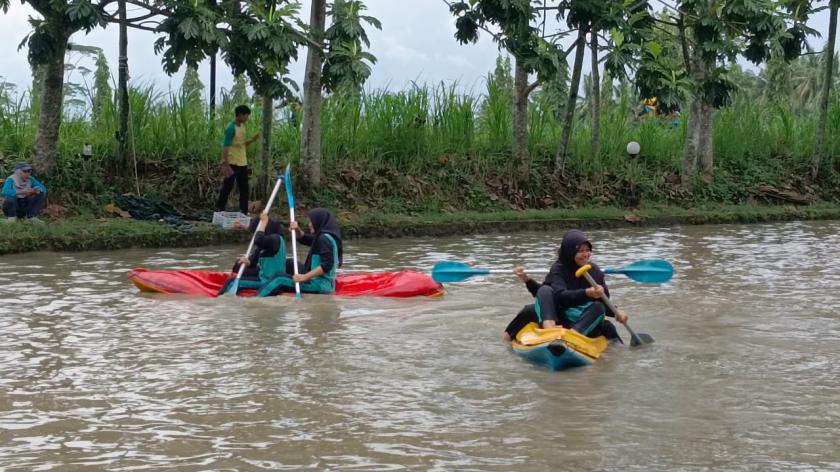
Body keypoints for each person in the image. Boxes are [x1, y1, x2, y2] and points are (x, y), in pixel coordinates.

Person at [502, 229, 626, 343]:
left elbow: (604, 301)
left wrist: (617, 312)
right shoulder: (558, 269)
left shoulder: (594, 271)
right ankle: (543, 332)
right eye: (581, 251)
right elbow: (557, 297)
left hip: (580, 320)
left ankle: (572, 337)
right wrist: (526, 280)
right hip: (559, 316)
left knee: (601, 312)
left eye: (588, 250)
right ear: (570, 252)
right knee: (531, 307)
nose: (586, 254)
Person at [257, 208, 343, 296]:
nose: (309, 225)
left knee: (278, 279)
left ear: (319, 221)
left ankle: (257, 299)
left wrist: (304, 277)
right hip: (323, 284)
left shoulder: (323, 239)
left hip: (319, 285)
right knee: (289, 264)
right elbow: (305, 239)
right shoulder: (325, 237)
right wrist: (297, 229)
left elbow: (327, 265)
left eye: (311, 222)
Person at [222, 213, 287, 294]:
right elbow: (253, 261)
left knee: (231, 282)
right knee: (238, 265)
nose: (255, 234)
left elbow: (258, 240)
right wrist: (247, 261)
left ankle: (218, 299)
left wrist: (264, 222)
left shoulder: (276, 239)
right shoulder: (263, 244)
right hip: (264, 278)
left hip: (272, 281)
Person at [215, 105, 260, 215]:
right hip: (232, 163)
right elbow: (225, 147)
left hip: (242, 163)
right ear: (240, 115)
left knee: (244, 188)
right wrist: (226, 164)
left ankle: (244, 211)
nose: (247, 118)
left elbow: (242, 144)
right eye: (246, 116)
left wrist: (253, 139)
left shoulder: (243, 127)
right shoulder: (231, 128)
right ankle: (220, 208)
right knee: (227, 187)